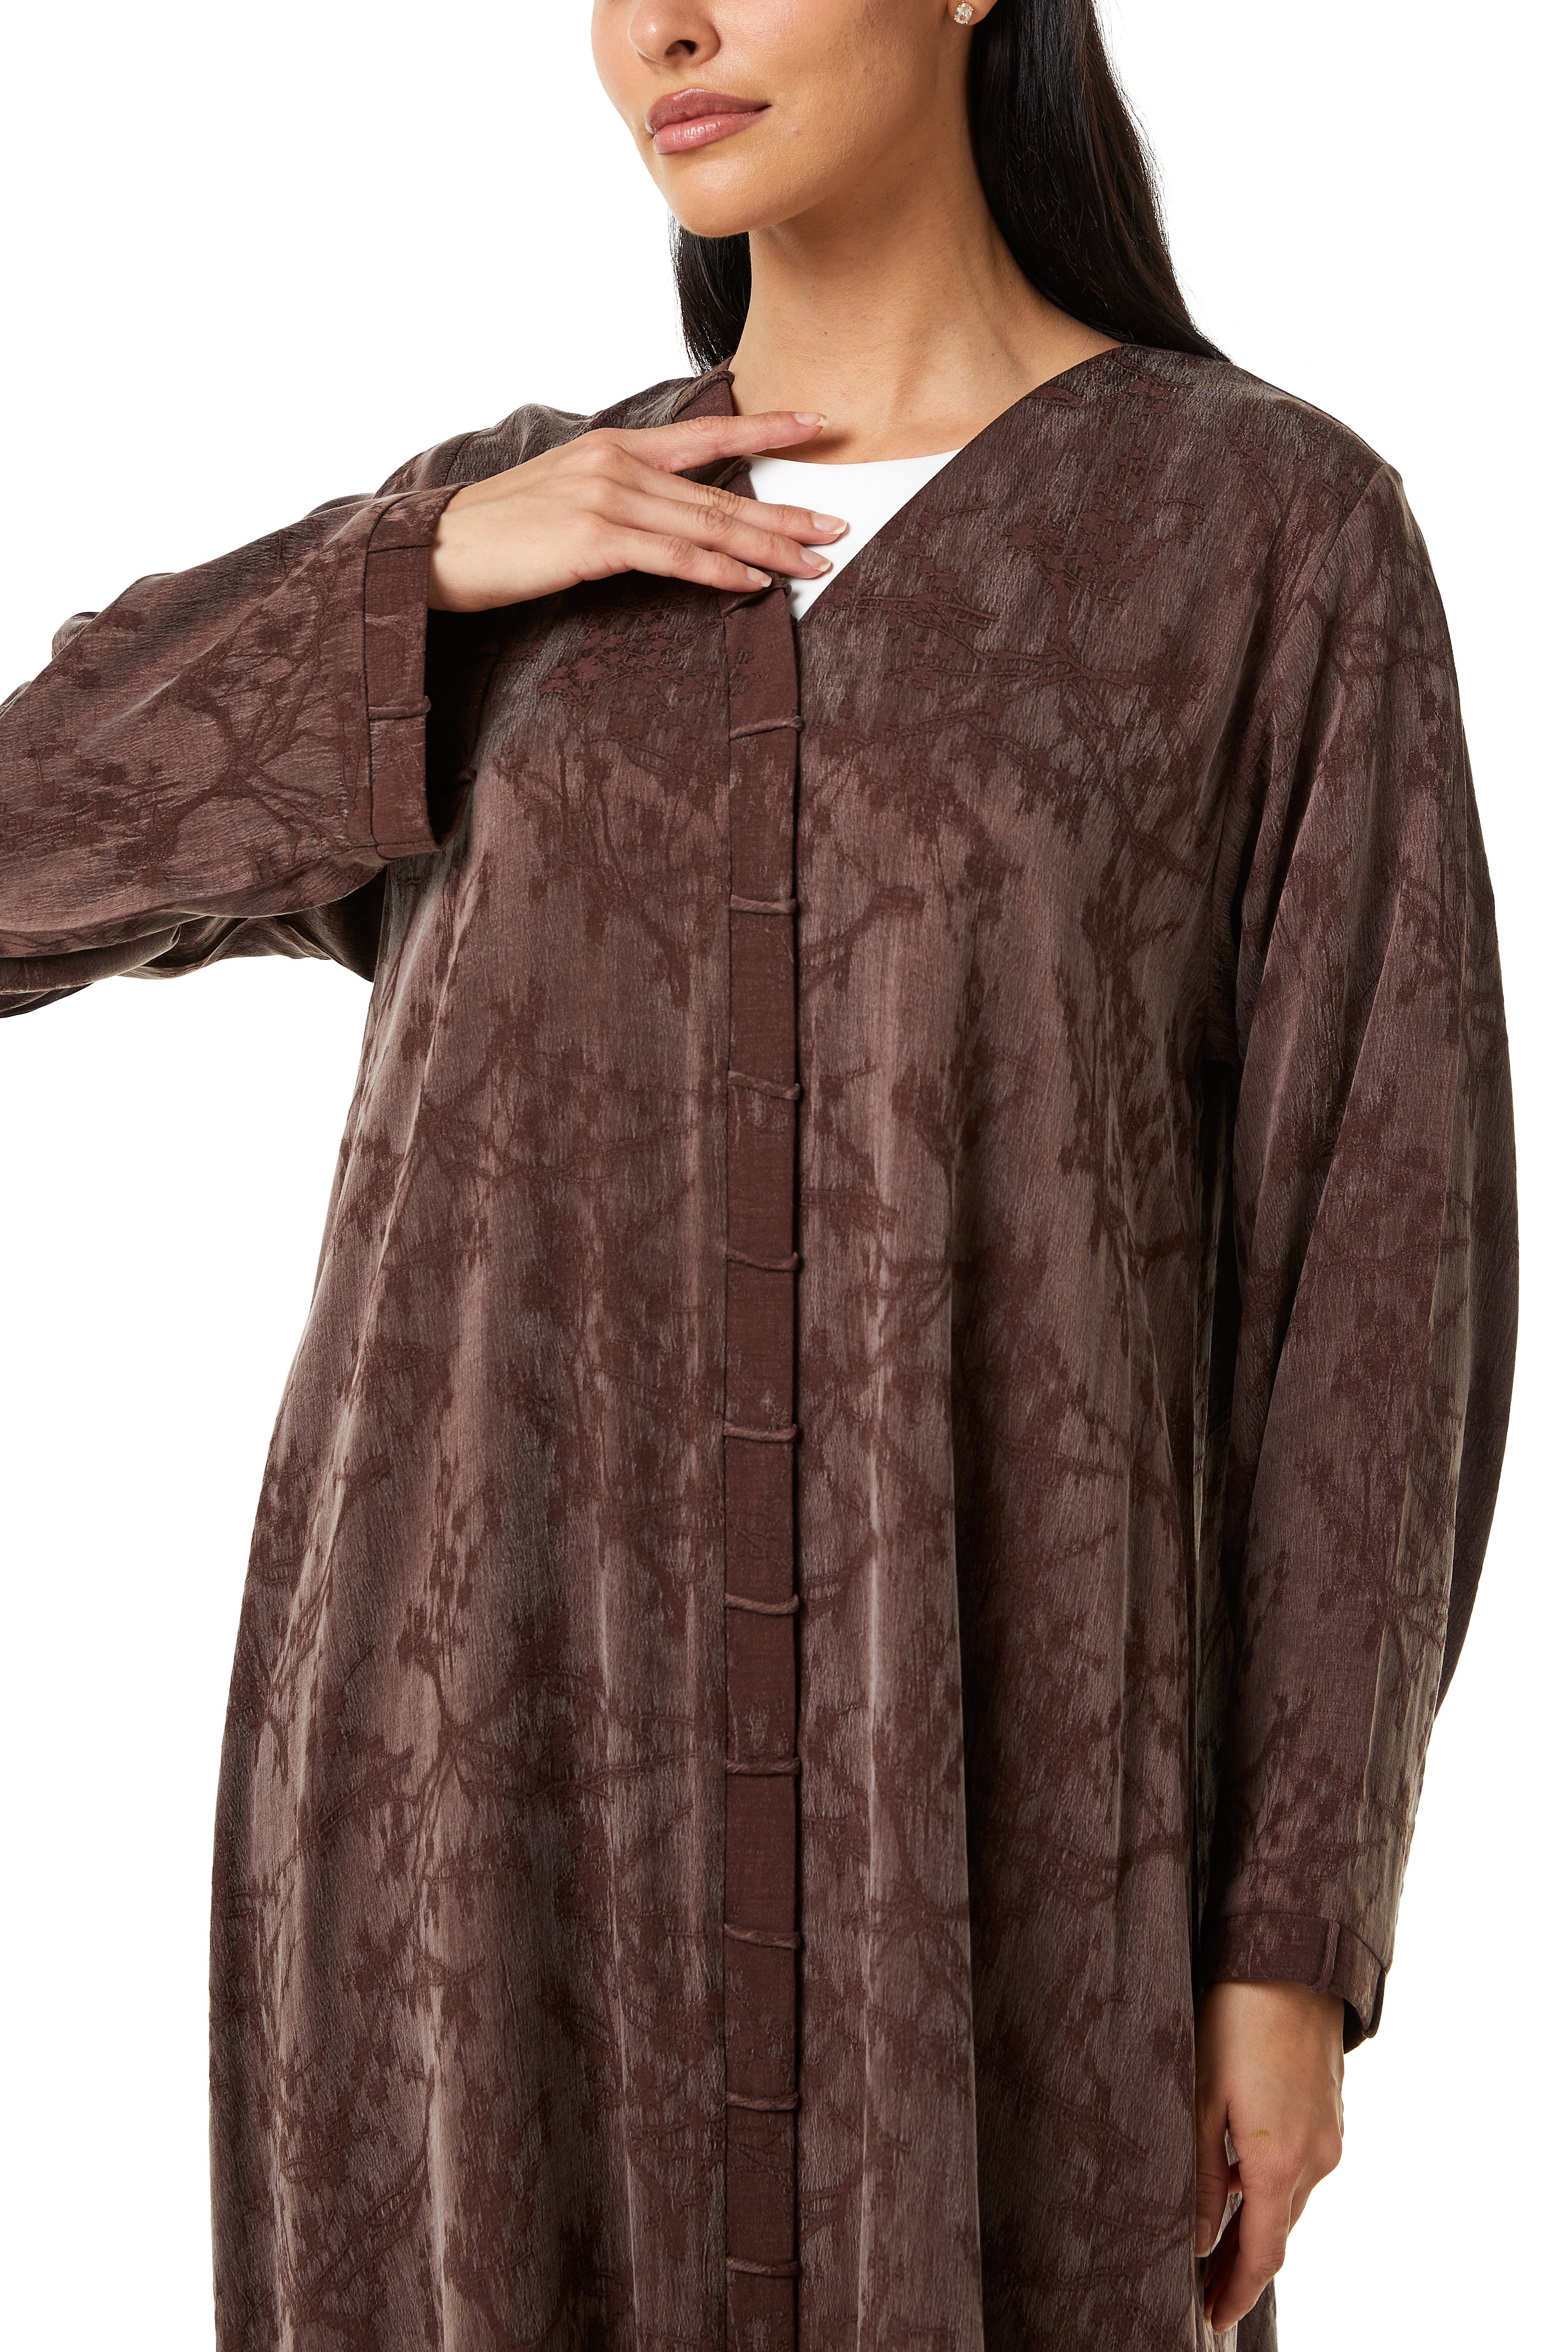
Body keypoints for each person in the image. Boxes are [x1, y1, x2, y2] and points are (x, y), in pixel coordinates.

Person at [0, 2, 1517, 2347]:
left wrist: (1291, 1938)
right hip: (469, 1835)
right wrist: (419, 567)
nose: (665, 26)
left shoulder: (1265, 537)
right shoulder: (523, 530)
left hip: (995, 1832)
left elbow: (1377, 1270)